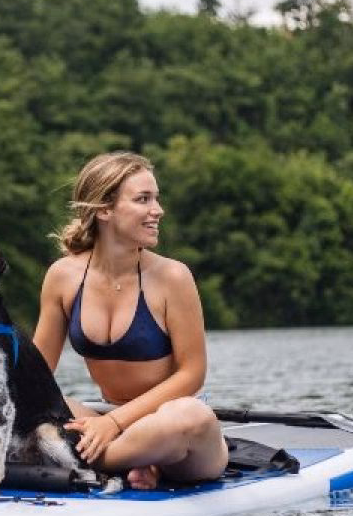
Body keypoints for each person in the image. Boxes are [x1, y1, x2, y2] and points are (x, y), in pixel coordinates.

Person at [33, 151, 228, 489]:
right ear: (105, 210)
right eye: (143, 199)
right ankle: (132, 461)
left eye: (156, 198)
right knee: (29, 403)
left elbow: (192, 375)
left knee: (191, 415)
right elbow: (35, 374)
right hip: (103, 420)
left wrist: (115, 425)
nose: (158, 210)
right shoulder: (63, 277)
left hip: (172, 433)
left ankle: (102, 460)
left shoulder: (173, 277)